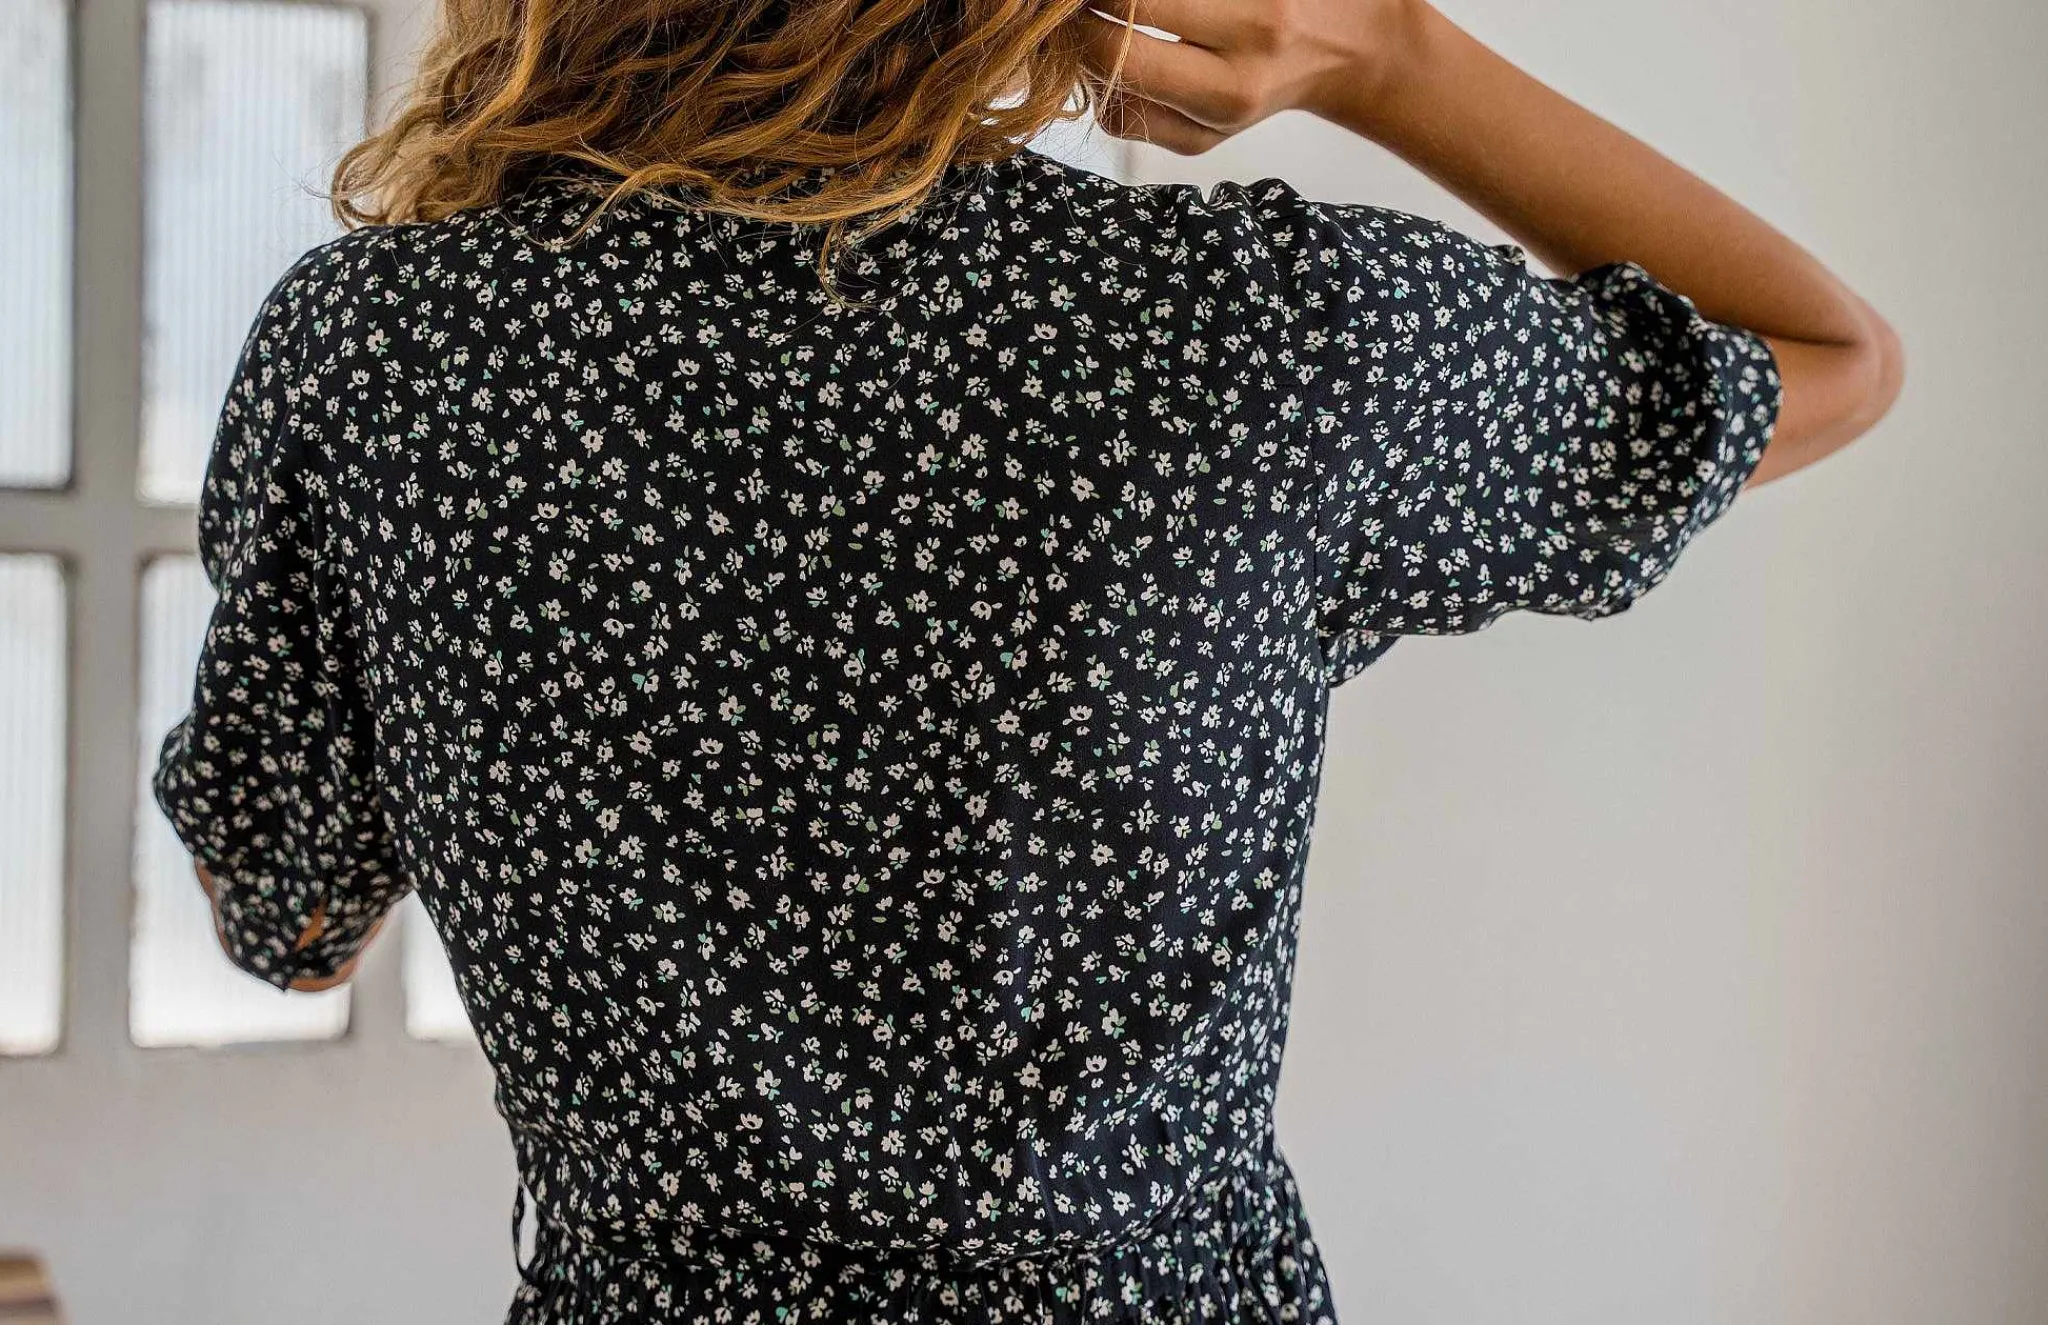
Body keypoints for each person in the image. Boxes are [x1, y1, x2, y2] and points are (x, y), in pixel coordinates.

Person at [153, 0, 1902, 1319]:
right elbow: (1824, 356)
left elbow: (287, 914)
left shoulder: (374, 350)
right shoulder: (1259, 336)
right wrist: (1384, 52)